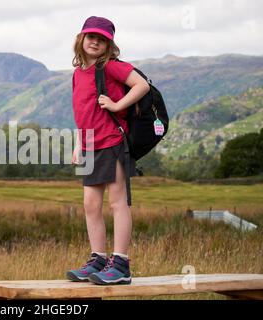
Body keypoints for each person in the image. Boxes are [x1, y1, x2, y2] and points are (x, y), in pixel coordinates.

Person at [66, 16, 150, 285]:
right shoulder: (78, 74)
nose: (95, 41)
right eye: (91, 36)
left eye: (102, 39)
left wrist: (116, 105)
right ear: (81, 39)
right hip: (90, 145)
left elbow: (141, 85)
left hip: (113, 142)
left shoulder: (112, 67)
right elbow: (83, 112)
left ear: (109, 45)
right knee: (91, 205)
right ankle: (98, 260)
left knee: (117, 203)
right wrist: (79, 144)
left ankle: (121, 264)